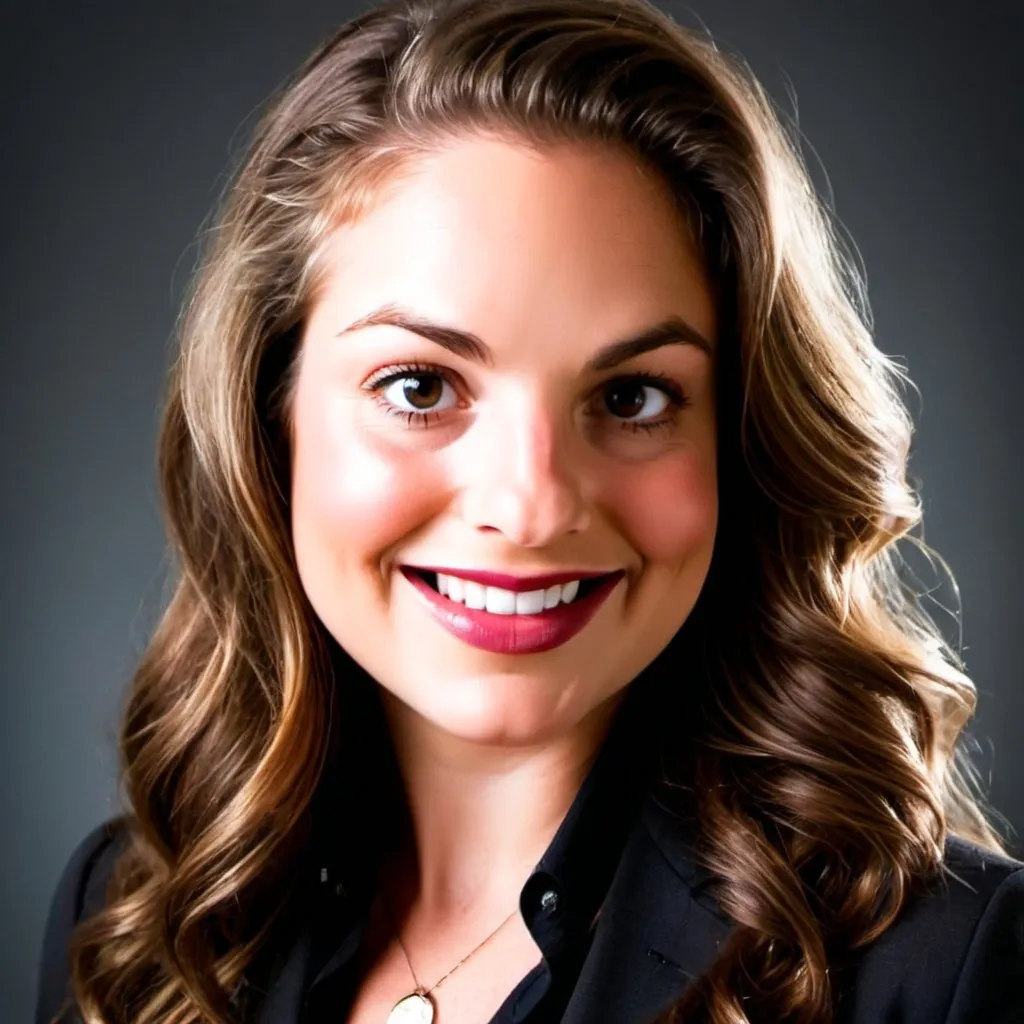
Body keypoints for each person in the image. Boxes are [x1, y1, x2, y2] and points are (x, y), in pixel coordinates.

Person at [34, 0, 1024, 1021]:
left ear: (739, 439)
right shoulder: (130, 920)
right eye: (420, 386)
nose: (531, 504)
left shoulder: (944, 971)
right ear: (266, 417)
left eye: (633, 397)